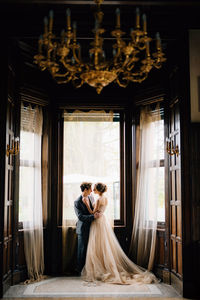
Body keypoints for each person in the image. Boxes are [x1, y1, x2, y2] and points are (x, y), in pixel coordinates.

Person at [81, 182, 158, 284]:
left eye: (94, 189)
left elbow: (92, 213)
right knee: (103, 244)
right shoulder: (105, 198)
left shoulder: (99, 199)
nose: (93, 190)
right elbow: (101, 211)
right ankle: (103, 266)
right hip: (103, 221)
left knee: (97, 244)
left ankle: (100, 268)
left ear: (99, 190)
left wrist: (86, 203)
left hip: (97, 222)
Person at [74, 182, 101, 275]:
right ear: (85, 189)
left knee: (90, 250)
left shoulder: (91, 197)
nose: (92, 190)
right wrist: (93, 217)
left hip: (93, 228)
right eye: (90, 189)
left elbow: (92, 210)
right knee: (82, 250)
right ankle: (79, 271)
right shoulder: (77, 201)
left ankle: (89, 270)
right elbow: (80, 216)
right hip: (83, 229)